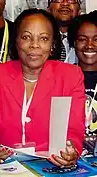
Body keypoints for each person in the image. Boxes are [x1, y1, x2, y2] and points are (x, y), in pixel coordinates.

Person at [0, 9, 85, 166]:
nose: (34, 45)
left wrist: (71, 150)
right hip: (5, 166)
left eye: (43, 38)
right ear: (16, 41)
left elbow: (75, 129)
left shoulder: (70, 76)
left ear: (52, 44)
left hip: (51, 165)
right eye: (26, 37)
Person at [68, 11, 97, 156]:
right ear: (74, 42)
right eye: (82, 39)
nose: (90, 45)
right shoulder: (63, 78)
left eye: (96, 39)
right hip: (69, 155)